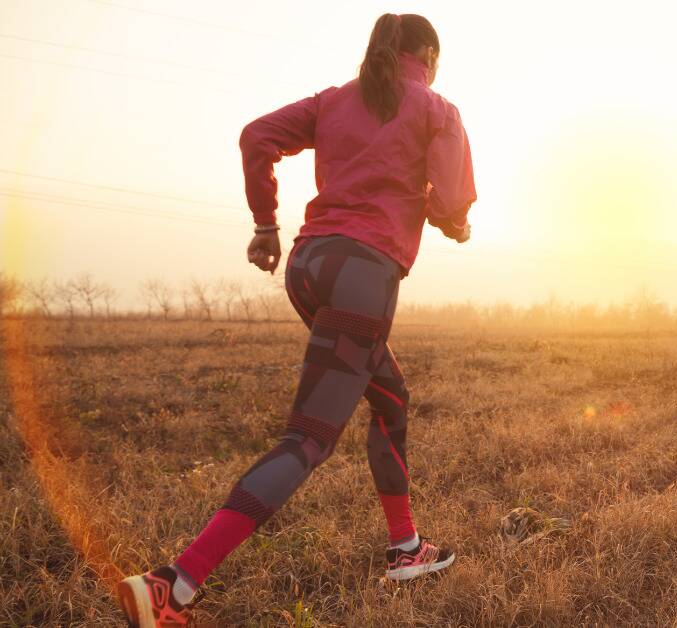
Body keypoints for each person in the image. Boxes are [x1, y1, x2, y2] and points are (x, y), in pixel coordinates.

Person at [117, 13, 475, 627]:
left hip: (309, 267)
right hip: (364, 276)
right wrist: (454, 221)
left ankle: (406, 550)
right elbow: (452, 201)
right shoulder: (435, 108)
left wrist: (265, 223)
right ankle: (171, 585)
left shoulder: (334, 101)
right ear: (428, 55)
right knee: (308, 439)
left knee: (390, 399)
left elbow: (257, 134)